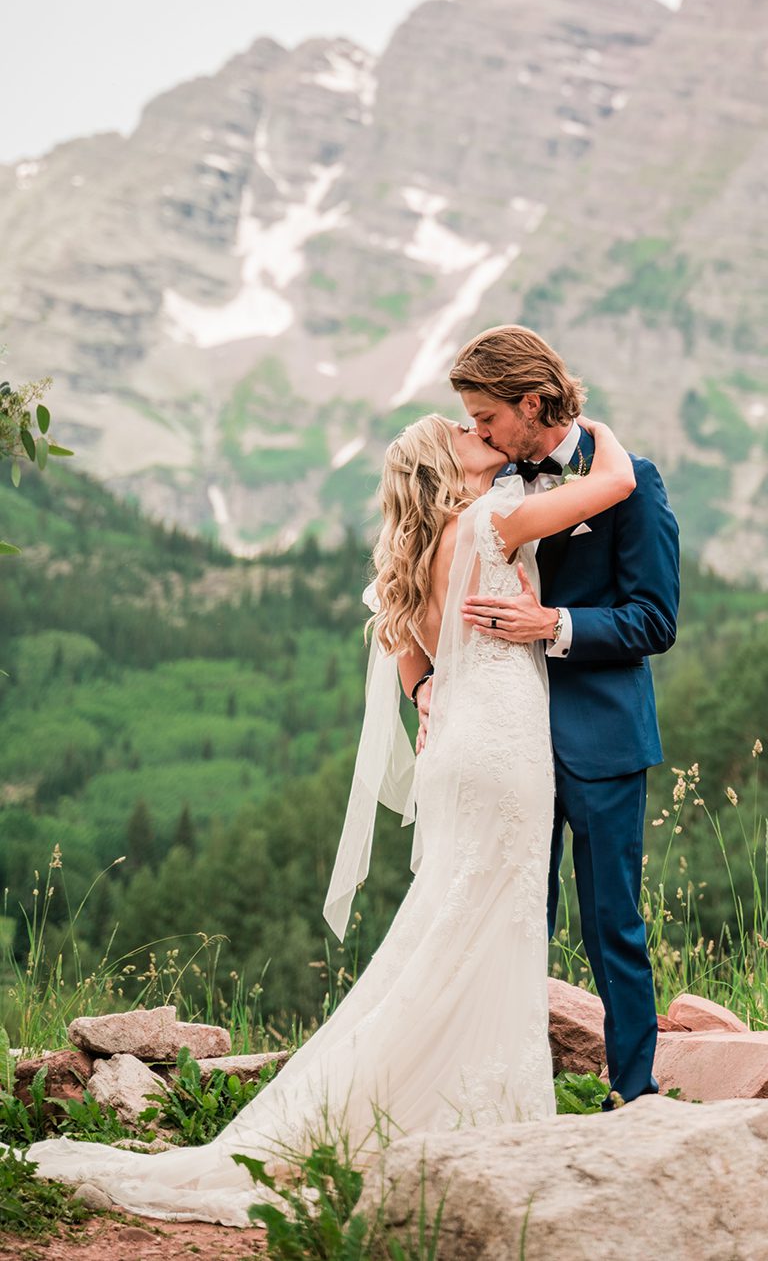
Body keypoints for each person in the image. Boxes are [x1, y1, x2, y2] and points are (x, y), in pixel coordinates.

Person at [20, 410, 636, 1224]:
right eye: (464, 430)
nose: (475, 429)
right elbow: (617, 480)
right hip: (501, 749)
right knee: (490, 922)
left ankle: (457, 1107)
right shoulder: (491, 519)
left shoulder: (414, 552)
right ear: (445, 467)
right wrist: (590, 423)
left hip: (460, 749)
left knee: (461, 923)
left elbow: (403, 646)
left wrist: (426, 692)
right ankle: (483, 1118)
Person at [448, 325, 680, 1107]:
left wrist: (557, 626)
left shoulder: (631, 482)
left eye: (488, 417)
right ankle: (514, 1094)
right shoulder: (490, 489)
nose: (477, 433)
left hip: (603, 739)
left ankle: (636, 1093)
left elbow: (655, 620)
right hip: (506, 741)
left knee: (613, 923)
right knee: (516, 920)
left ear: (533, 401)